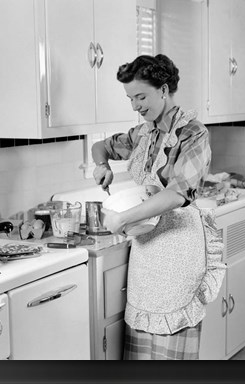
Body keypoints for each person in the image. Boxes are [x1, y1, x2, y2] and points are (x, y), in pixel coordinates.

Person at [92, 54, 226, 360]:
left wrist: (122, 217)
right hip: (148, 247)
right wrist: (102, 165)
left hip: (180, 245)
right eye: (130, 98)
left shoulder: (193, 134)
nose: (135, 106)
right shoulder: (144, 133)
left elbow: (177, 195)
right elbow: (100, 146)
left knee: (170, 351)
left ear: (163, 90)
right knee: (142, 349)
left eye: (141, 96)